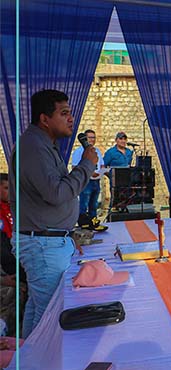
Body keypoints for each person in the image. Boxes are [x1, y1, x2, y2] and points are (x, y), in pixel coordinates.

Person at [10, 90, 98, 337]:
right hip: (43, 245)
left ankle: (27, 359)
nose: (71, 118)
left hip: (48, 240)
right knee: (49, 317)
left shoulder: (43, 145)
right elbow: (57, 193)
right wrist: (87, 165)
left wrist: (67, 234)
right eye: (64, 113)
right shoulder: (34, 148)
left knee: (38, 309)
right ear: (44, 119)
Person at [0, 173, 26, 338]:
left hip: (14, 264)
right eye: (6, 188)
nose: (11, 192)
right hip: (6, 271)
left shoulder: (12, 208)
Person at [71, 129, 104, 221]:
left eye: (94, 137)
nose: (92, 140)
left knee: (94, 205)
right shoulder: (79, 151)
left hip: (96, 181)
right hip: (86, 182)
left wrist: (102, 171)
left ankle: (93, 222)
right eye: (90, 137)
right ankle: (83, 223)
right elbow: (75, 167)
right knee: (83, 204)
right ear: (85, 139)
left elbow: (101, 164)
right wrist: (90, 173)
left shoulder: (97, 150)